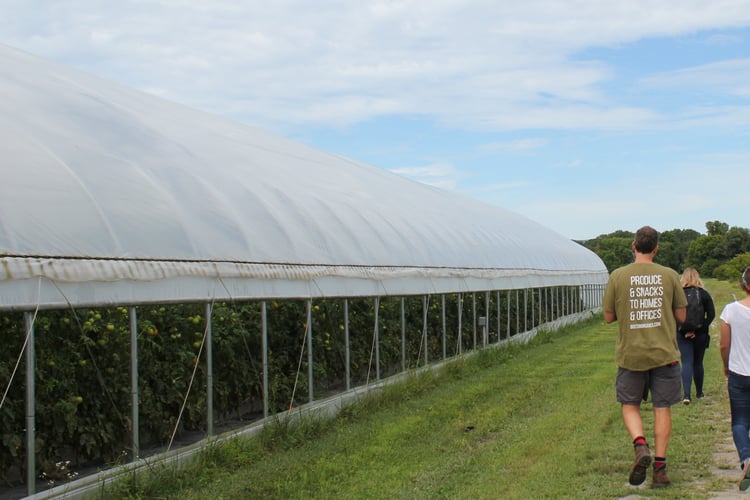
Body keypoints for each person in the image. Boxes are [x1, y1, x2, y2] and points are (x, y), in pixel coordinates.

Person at [602, 226, 687, 488]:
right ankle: (660, 471)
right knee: (663, 409)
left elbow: (608, 317)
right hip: (664, 354)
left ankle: (640, 445)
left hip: (631, 355)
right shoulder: (670, 275)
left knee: (630, 405)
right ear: (656, 248)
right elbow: (682, 316)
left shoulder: (618, 276)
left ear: (633, 245)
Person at [720, 267, 750, 491]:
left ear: (743, 285)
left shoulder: (731, 310)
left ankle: (746, 459)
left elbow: (724, 344)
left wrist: (726, 365)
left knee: (740, 421)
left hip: (739, 371)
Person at [677, 268, 715, 404]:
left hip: (682, 334)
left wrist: (683, 330)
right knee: (698, 363)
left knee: (686, 362)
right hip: (700, 334)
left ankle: (686, 395)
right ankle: (699, 392)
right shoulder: (704, 294)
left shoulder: (678, 294)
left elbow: (672, 315)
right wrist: (699, 329)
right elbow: (711, 315)